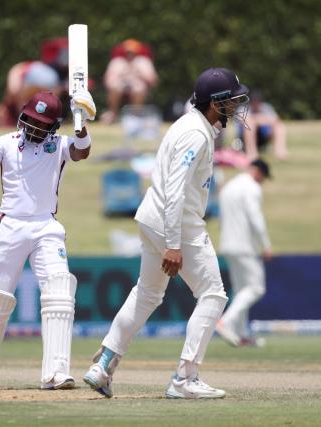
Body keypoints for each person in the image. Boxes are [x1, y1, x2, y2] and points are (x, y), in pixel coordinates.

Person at [83, 67, 250, 399]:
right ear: (216, 103)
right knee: (213, 295)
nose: (236, 104)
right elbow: (175, 189)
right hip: (175, 223)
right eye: (231, 99)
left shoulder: (193, 125)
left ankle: (103, 366)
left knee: (147, 294)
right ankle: (185, 379)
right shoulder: (195, 134)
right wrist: (174, 243)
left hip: (153, 218)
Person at [0, 89, 96, 390]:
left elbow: (82, 151)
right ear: (22, 116)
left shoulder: (60, 145)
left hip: (46, 226)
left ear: (53, 126)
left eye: (42, 124)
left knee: (60, 291)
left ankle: (56, 372)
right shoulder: (5, 143)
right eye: (31, 121)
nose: (35, 128)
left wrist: (82, 121)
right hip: (10, 227)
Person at [216, 159, 272, 347]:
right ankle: (226, 322)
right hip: (245, 245)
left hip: (228, 244)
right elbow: (255, 217)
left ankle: (241, 334)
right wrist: (265, 244)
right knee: (256, 288)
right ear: (258, 172)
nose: (262, 181)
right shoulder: (251, 188)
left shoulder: (230, 187)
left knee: (242, 290)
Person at [102, 39, 158, 124]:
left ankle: (135, 116)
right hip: (120, 85)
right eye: (128, 52)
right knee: (115, 87)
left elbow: (153, 80)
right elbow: (108, 80)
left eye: (132, 52)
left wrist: (140, 74)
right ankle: (113, 114)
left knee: (139, 88)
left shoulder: (143, 61)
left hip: (138, 85)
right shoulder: (117, 62)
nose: (130, 55)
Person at [240, 91, 288, 161]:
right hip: (246, 136)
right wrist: (260, 120)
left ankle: (280, 152)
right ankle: (252, 154)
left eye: (258, 101)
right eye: (254, 101)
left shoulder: (267, 108)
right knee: (250, 125)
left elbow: (276, 121)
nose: (256, 103)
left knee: (280, 127)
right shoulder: (243, 108)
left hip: (264, 135)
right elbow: (243, 121)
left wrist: (257, 120)